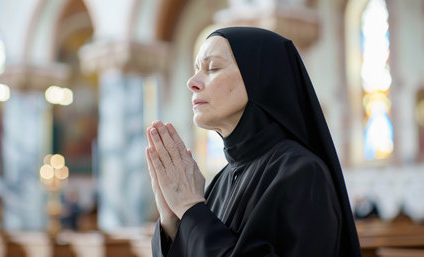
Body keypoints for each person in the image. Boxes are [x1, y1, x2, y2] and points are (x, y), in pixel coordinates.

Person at [145, 27, 362, 257]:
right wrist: (173, 223)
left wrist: (191, 209)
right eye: (197, 69)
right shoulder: (222, 179)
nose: (192, 82)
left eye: (212, 68)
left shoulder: (303, 173)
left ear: (259, 78)